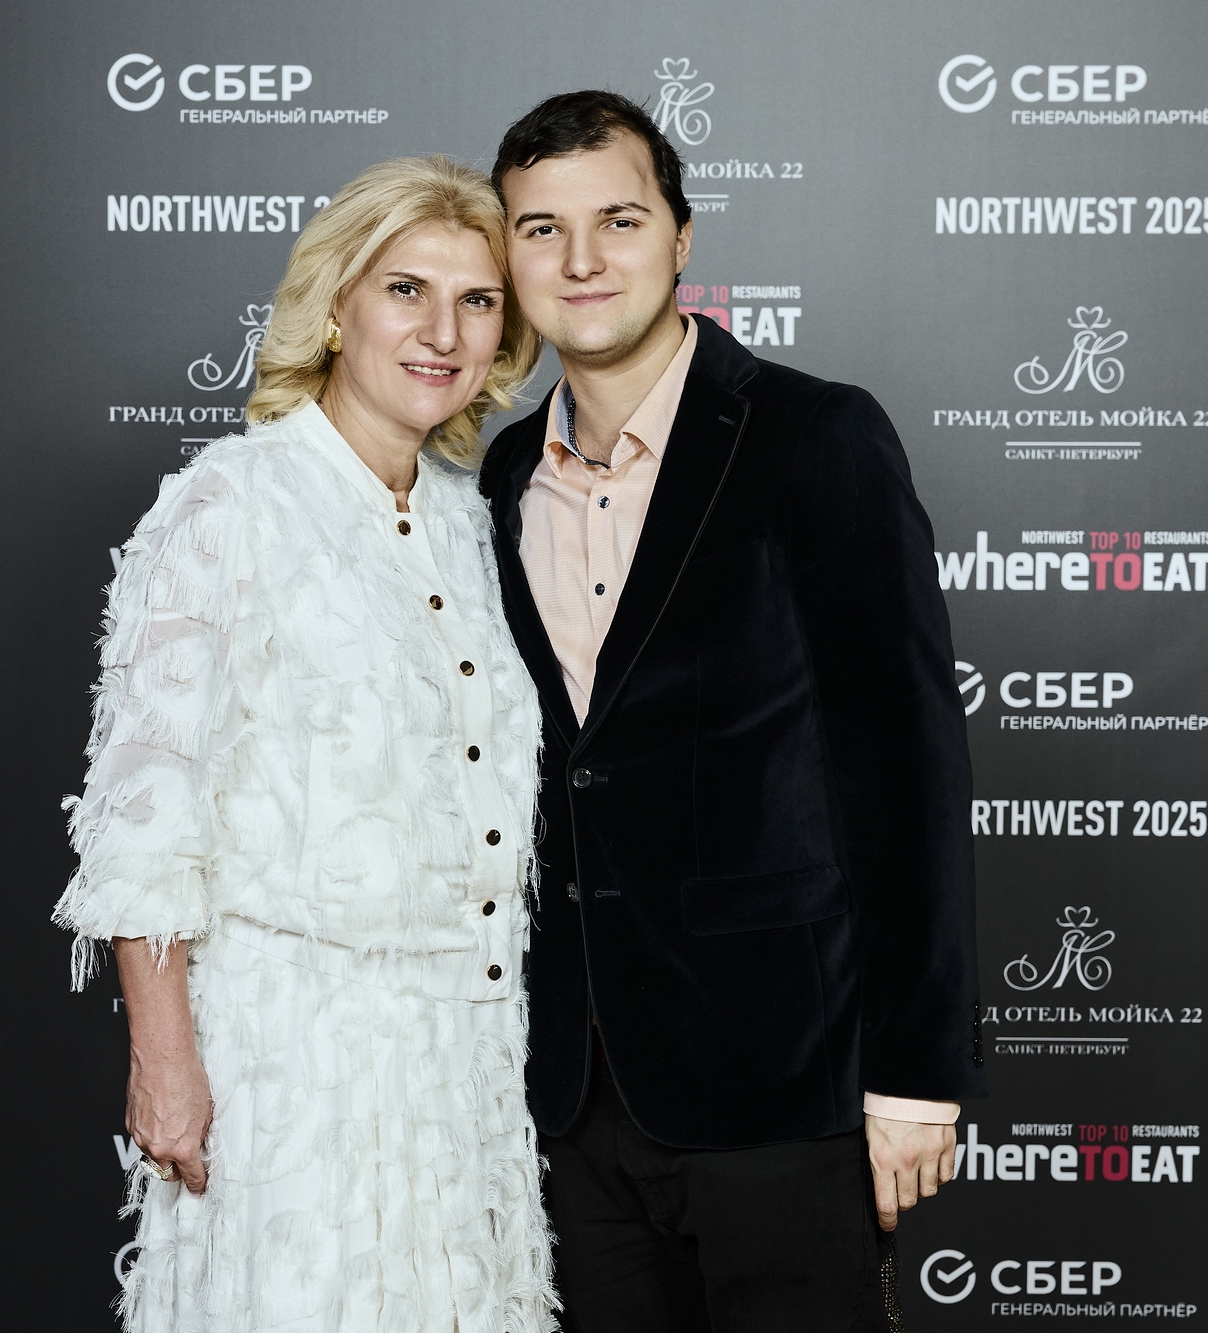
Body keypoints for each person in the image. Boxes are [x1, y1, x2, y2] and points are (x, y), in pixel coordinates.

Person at [479, 92, 985, 1331]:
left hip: (780, 1079)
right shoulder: (497, 474)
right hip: (568, 1094)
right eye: (541, 229)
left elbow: (906, 770)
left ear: (681, 237)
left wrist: (914, 1073)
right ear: (509, 257)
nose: (581, 260)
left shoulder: (816, 436)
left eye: (617, 219)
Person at [55, 155, 558, 1333]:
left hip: (465, 1054)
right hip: (290, 1061)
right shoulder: (231, 502)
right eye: (405, 291)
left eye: (477, 300)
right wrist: (164, 1060)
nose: (443, 332)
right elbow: (145, 815)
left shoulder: (472, 521)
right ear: (336, 307)